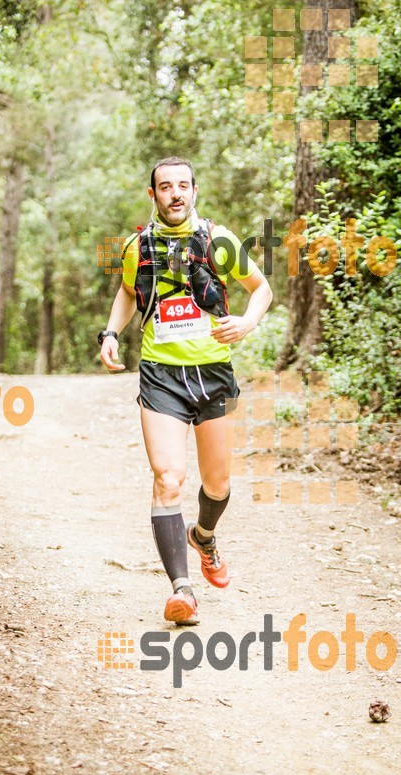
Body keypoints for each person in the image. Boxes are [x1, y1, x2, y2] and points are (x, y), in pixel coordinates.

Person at [98, 157, 272, 625]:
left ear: (194, 190)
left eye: (182, 186)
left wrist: (248, 321)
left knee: (217, 486)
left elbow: (261, 289)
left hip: (213, 372)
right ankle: (181, 591)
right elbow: (130, 293)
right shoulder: (139, 245)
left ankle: (204, 536)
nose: (174, 193)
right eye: (164, 187)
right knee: (168, 478)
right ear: (152, 195)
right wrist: (111, 334)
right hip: (161, 375)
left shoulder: (217, 241)